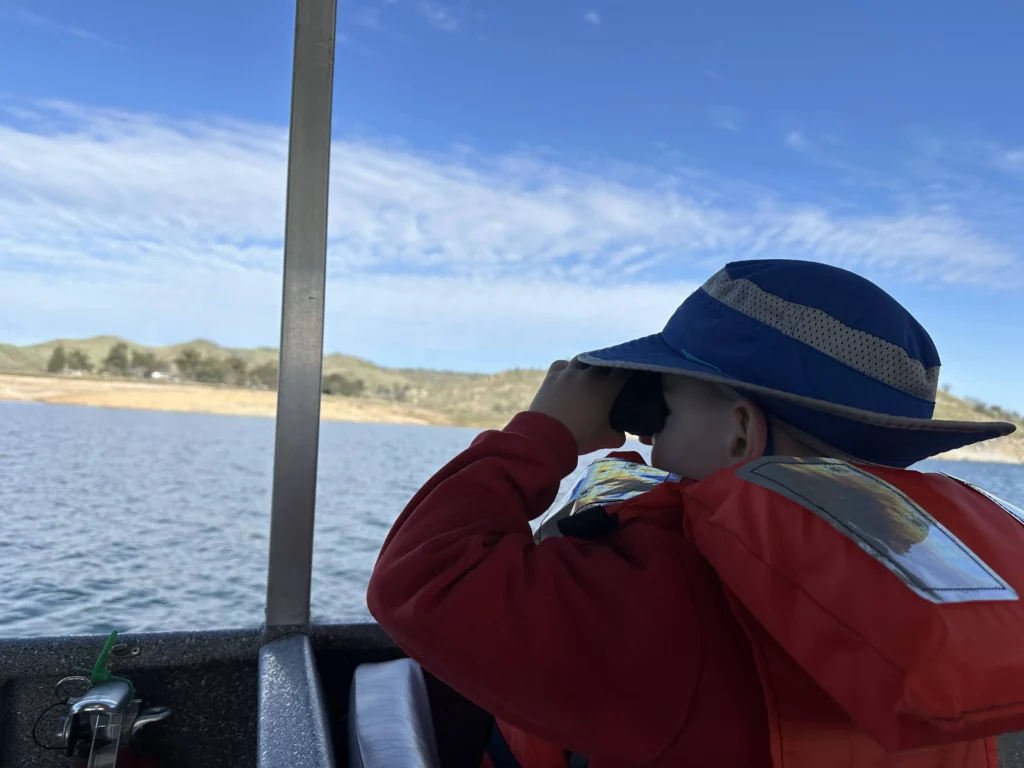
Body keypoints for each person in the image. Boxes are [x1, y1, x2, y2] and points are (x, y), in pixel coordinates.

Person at [367, 259, 1018, 767]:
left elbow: (421, 582)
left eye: (663, 402)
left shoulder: (662, 587)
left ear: (740, 433)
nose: (646, 435)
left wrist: (544, 434)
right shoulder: (935, 591)